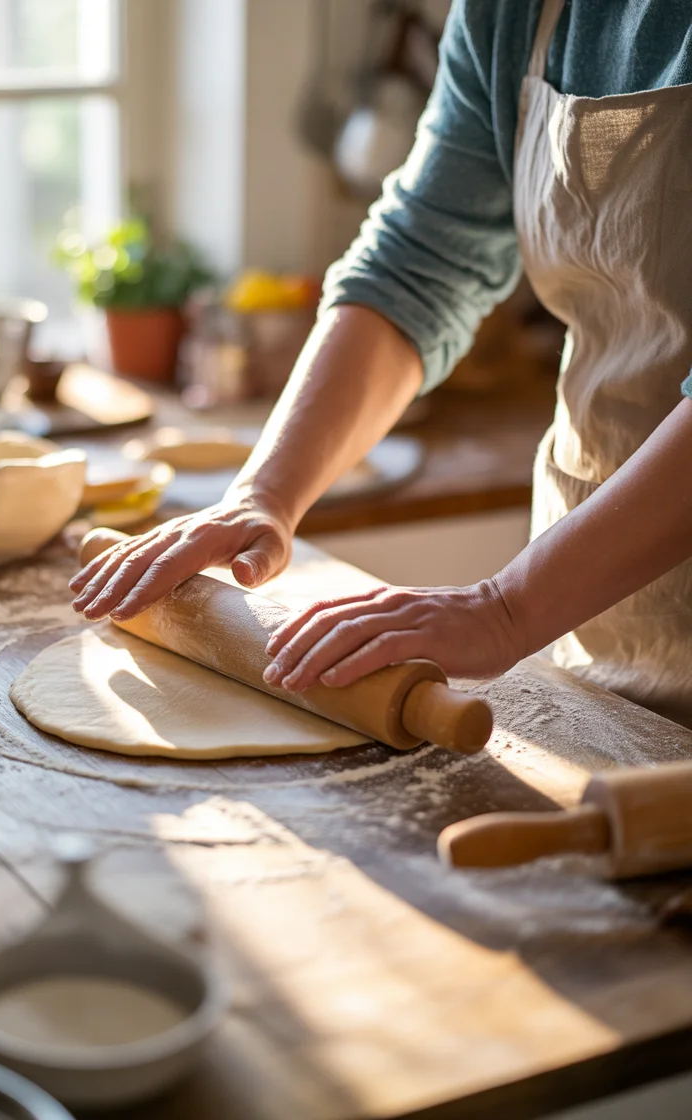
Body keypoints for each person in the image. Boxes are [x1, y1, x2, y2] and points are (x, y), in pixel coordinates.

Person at [71, 0, 692, 727]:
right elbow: (422, 261)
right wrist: (263, 494)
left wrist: (507, 608)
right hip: (599, 613)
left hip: (564, 586)